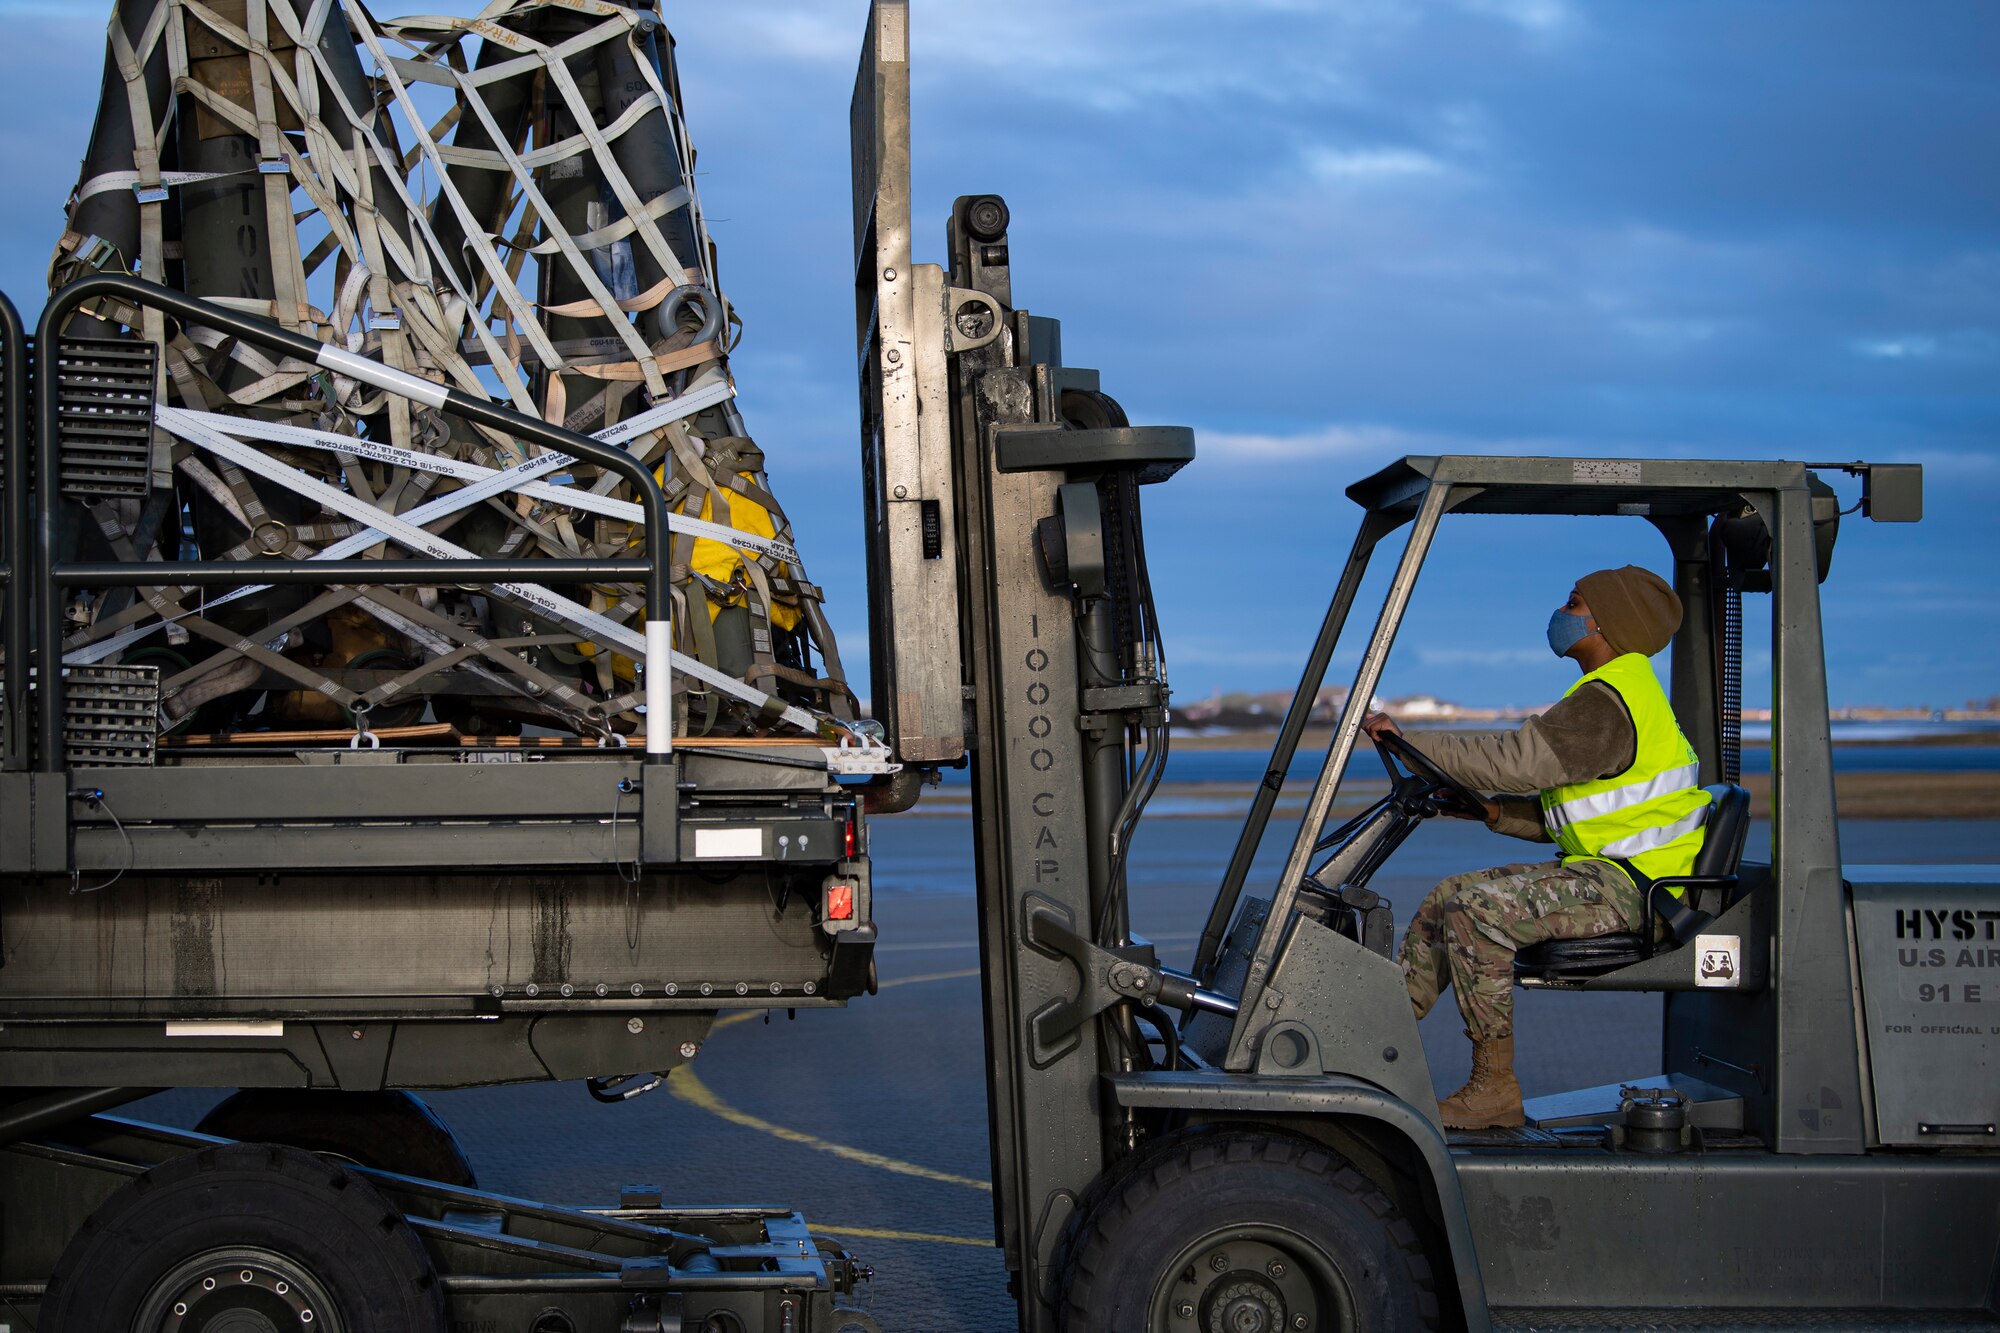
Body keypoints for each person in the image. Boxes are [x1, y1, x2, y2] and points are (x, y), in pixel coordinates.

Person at [1361, 565, 1710, 1130]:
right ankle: (1370, 1042)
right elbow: (1582, 813)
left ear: (1606, 623)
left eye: (1573, 603)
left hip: (1640, 892)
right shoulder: (1614, 694)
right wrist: (1494, 812)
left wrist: (1406, 740)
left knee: (1480, 912)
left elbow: (1516, 761)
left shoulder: (1611, 700)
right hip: (1610, 874)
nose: (1562, 614)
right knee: (1448, 895)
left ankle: (1494, 1089)